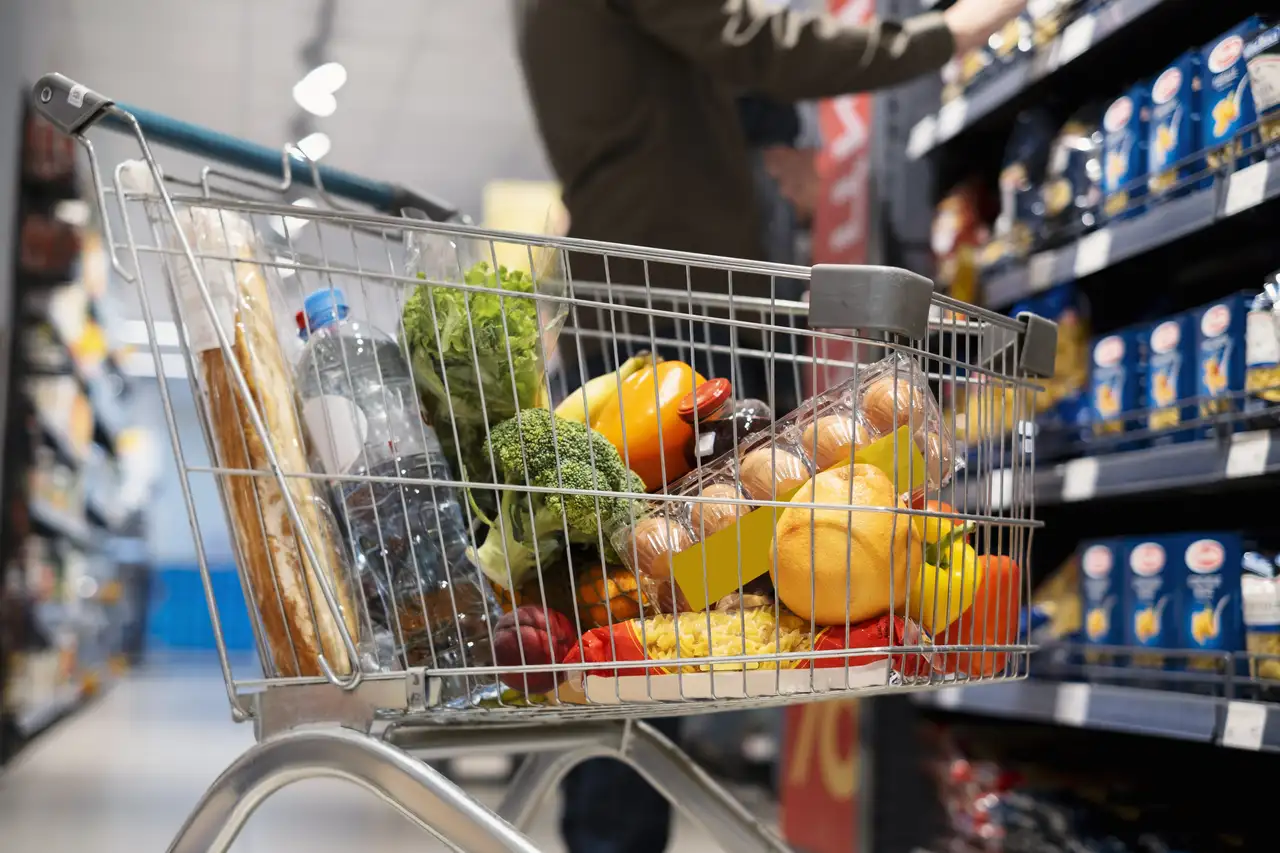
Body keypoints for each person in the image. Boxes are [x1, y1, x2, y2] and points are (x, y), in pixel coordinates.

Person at [515, 2, 1027, 851]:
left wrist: (768, 139)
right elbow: (753, 42)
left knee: (647, 618)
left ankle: (611, 831)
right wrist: (949, 34)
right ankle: (612, 837)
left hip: (635, 304)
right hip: (669, 324)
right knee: (650, 623)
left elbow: (681, 67)